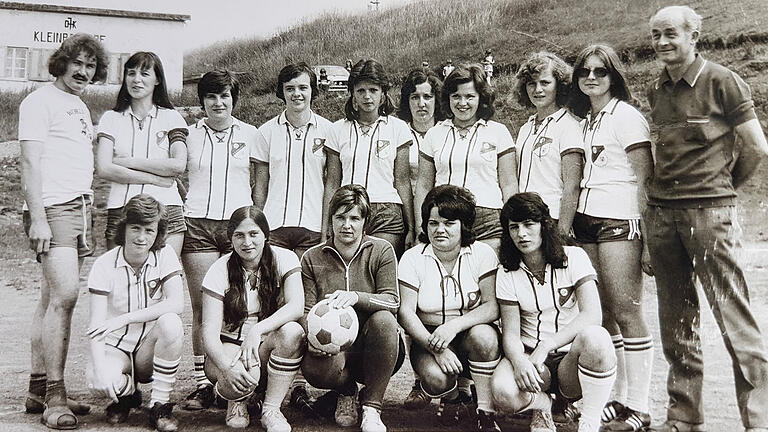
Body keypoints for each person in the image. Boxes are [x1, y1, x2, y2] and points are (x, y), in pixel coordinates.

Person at [645, 6, 768, 432]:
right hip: (664, 217)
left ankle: (759, 421)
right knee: (676, 321)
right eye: (656, 35)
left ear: (694, 35)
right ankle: (684, 418)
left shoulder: (723, 81)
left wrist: (721, 190)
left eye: (671, 34)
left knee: (734, 318)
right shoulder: (657, 87)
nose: (662, 42)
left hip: (711, 216)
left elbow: (756, 148)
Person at [18, 33, 108, 430]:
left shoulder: (79, 106)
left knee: (49, 298)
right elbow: (29, 163)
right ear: (62, 62)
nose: (83, 71)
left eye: (91, 66)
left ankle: (39, 389)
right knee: (67, 296)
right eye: (78, 63)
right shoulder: (38, 101)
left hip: (80, 207)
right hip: (52, 208)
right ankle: (56, 395)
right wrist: (37, 216)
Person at [566, 44, 655, 431]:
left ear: (613, 76)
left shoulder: (627, 117)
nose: (591, 77)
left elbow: (646, 180)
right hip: (588, 220)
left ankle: (639, 404)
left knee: (627, 310)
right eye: (584, 71)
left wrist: (649, 239)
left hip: (621, 220)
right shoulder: (589, 118)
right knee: (603, 317)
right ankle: (614, 397)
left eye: (600, 71)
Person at [253, 62, 341, 410]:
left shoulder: (329, 131)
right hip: (274, 230)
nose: (297, 94)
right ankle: (262, 381)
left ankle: (301, 385)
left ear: (312, 90)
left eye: (303, 87)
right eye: (290, 88)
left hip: (312, 232)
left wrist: (326, 231)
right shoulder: (265, 132)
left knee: (307, 308)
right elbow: (259, 189)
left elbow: (331, 187)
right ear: (282, 92)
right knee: (271, 304)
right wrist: (260, 231)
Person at [491, 192, 616, 432]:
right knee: (503, 393)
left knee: (597, 338)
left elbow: (592, 315)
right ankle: (545, 405)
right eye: (514, 227)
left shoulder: (574, 257)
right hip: (533, 362)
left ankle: (589, 422)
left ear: (544, 225)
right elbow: (511, 333)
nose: (522, 234)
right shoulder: (507, 272)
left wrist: (547, 345)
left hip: (571, 360)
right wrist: (519, 361)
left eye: (529, 225)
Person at [181, 70, 265, 411]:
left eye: (225, 96)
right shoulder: (188, 135)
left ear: (234, 99)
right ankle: (203, 383)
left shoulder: (252, 134)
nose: (218, 103)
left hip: (237, 229)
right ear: (202, 101)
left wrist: (252, 220)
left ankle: (242, 376)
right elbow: (174, 174)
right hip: (198, 225)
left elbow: (260, 183)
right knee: (203, 307)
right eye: (211, 97)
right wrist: (189, 202)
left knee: (240, 306)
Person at [398, 185, 502, 432]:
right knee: (436, 379)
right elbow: (406, 312)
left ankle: (485, 411)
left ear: (463, 225)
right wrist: (436, 348)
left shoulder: (482, 253)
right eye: (433, 223)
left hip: (468, 333)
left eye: (448, 223)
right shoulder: (413, 257)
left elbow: (491, 306)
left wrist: (453, 327)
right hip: (429, 337)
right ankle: (458, 399)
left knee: (484, 337)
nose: (439, 230)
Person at [300, 184, 403, 432]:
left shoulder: (382, 249)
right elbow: (306, 310)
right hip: (334, 349)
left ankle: (371, 407)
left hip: (377, 346)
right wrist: (312, 338)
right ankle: (346, 392)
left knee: (385, 320)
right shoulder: (312, 257)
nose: (347, 225)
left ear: (364, 221)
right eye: (341, 217)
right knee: (313, 368)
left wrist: (356, 297)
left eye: (355, 218)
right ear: (331, 220)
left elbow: (393, 301)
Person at [200, 206, 305, 431]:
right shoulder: (219, 269)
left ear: (266, 235)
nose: (247, 242)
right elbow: (208, 333)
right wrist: (226, 367)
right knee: (242, 376)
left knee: (292, 332)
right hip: (228, 350)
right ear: (231, 239)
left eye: (253, 234)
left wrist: (256, 331)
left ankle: (271, 409)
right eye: (239, 235)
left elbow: (296, 306)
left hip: (264, 346)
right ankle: (236, 402)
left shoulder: (285, 258)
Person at [86, 194, 184, 432]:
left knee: (171, 323)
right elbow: (97, 324)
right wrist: (99, 369)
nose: (141, 237)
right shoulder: (104, 264)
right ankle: (128, 394)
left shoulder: (165, 255)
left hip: (149, 349)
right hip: (116, 347)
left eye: (149, 230)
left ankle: (159, 405)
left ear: (158, 232)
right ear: (124, 227)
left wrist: (126, 317)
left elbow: (177, 304)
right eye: (135, 228)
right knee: (96, 378)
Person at [396, 67, 456, 409]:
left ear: (438, 100)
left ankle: (462, 382)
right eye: (415, 97)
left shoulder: (446, 132)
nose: (422, 103)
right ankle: (421, 381)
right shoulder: (400, 133)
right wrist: (412, 228)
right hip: (419, 228)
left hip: (449, 226)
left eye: (428, 96)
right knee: (416, 301)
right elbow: (406, 185)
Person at [415, 64, 518, 255]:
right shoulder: (434, 134)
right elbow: (423, 185)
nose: (462, 103)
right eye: (456, 96)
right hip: (444, 220)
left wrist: (511, 225)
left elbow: (509, 184)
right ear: (447, 98)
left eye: (469, 96)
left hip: (488, 220)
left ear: (481, 98)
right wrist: (420, 227)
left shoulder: (498, 132)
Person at [96, 51, 188, 254]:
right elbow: (104, 168)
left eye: (145, 74)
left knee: (164, 277)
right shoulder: (111, 119)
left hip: (166, 210)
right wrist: (155, 179)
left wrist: (125, 161)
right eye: (131, 73)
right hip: (122, 209)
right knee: (122, 280)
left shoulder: (172, 118)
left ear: (157, 80)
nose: (136, 80)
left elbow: (178, 165)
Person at [326, 59, 415, 257]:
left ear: (383, 94)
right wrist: (327, 223)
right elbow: (332, 182)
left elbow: (402, 181)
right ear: (352, 94)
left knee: (381, 270)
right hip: (349, 210)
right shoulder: (337, 129)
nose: (367, 97)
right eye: (361, 91)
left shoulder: (398, 128)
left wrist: (412, 227)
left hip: (387, 211)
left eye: (373, 90)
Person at [514, 51, 583, 240]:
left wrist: (562, 231)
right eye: (531, 84)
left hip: (551, 219)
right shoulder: (525, 128)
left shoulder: (568, 126)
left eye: (545, 83)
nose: (537, 90)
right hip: (524, 219)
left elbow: (572, 186)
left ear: (559, 86)